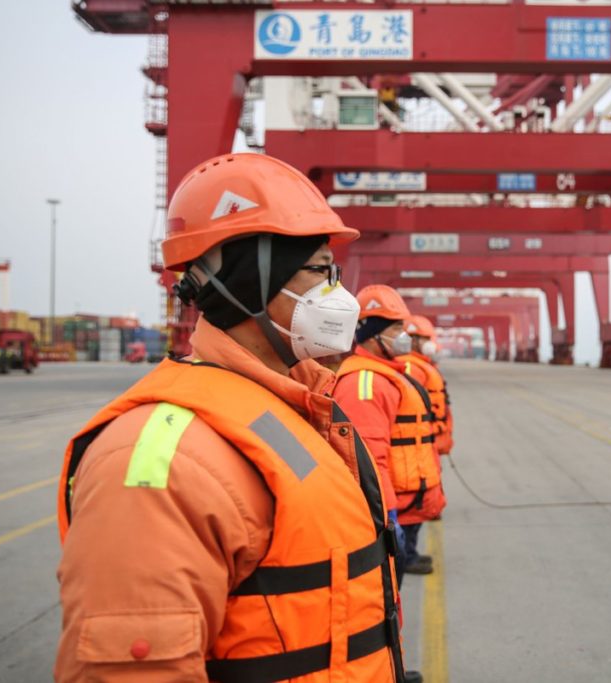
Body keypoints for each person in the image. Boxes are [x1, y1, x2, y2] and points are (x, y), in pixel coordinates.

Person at [55, 153, 405, 682]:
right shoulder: (160, 464)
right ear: (248, 282)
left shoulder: (292, 408)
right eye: (320, 271)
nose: (340, 296)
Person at [333, 287, 446, 578]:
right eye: (396, 329)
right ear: (373, 334)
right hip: (392, 508)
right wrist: (386, 513)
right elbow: (368, 458)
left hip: (407, 501)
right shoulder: (365, 384)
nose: (404, 335)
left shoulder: (387, 375)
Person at [399, 315, 454, 457]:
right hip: (420, 443)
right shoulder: (410, 367)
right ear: (413, 340)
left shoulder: (422, 365)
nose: (430, 343)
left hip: (428, 440)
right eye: (426, 339)